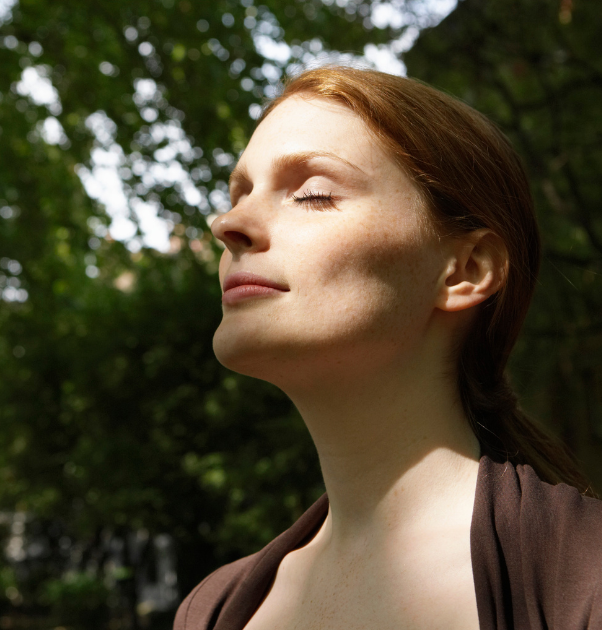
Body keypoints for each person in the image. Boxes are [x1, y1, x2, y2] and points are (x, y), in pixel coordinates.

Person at [174, 66, 602, 630]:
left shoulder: (582, 579)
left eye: (312, 194)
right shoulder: (211, 610)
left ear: (465, 270)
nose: (228, 224)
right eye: (240, 193)